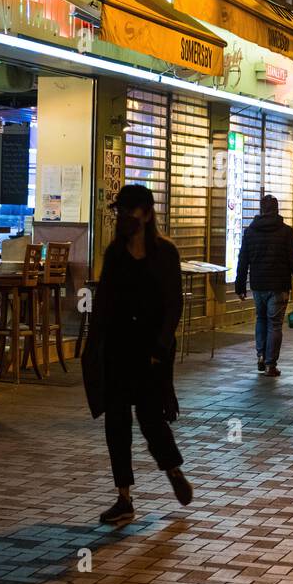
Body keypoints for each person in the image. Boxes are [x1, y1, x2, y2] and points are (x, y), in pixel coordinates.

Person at [81, 184, 191, 525]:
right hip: (117, 349)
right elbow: (103, 305)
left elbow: (174, 304)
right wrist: (92, 346)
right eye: (119, 211)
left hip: (150, 353)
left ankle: (172, 469)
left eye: (127, 210)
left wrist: (161, 347)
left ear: (144, 213)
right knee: (117, 424)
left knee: (150, 418)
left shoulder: (165, 254)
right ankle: (124, 497)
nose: (121, 217)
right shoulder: (115, 253)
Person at [235, 194, 293, 377]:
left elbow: (243, 260)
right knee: (275, 324)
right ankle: (270, 364)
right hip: (278, 286)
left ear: (261, 210)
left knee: (261, 319)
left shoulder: (250, 232)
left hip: (258, 285)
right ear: (277, 209)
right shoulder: (285, 231)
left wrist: (240, 286)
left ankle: (260, 355)